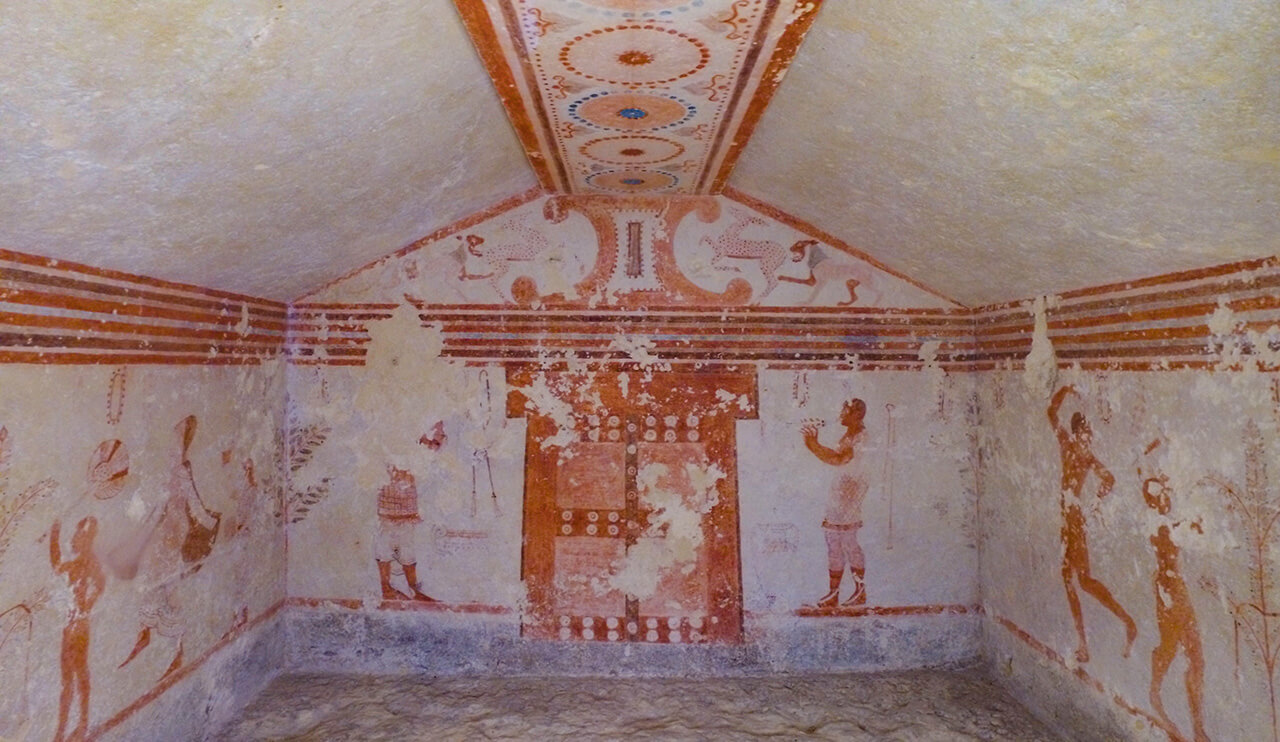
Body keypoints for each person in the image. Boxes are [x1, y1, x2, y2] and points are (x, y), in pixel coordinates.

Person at [1047, 384, 1137, 663]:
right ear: (1077, 432)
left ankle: (1125, 622)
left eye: (1089, 433)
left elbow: (1109, 479)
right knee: (1070, 579)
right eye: (1085, 432)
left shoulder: (1085, 455)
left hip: (1074, 518)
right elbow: (1051, 411)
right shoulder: (1068, 445)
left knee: (1082, 581)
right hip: (1068, 517)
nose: (1088, 436)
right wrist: (1064, 388)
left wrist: (1096, 501)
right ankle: (1084, 642)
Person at [1140, 440, 1209, 741]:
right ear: (1153, 500)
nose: (1167, 496)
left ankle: (1196, 726)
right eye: (1162, 493)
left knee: (1195, 657)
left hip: (1175, 588)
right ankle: (1155, 697)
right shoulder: (1160, 526)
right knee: (1172, 651)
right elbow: (1187, 531)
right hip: (1168, 591)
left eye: (1168, 492)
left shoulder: (1167, 520)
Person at [801, 398, 869, 608]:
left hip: (849, 493)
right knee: (833, 543)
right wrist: (814, 445)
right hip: (839, 492)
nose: (840, 414)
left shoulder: (860, 437)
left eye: (845, 410)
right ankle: (834, 593)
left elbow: (840, 459)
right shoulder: (849, 435)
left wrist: (814, 445)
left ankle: (860, 591)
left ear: (856, 414)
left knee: (848, 542)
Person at [374, 421, 446, 602]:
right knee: (385, 549)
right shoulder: (401, 450)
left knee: (407, 552)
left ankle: (413, 590)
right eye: (431, 441)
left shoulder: (422, 458)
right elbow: (394, 476)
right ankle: (386, 589)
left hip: (407, 513)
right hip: (389, 511)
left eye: (437, 442)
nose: (433, 446)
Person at [50, 517, 105, 742]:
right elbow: (58, 566)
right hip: (71, 626)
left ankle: (80, 725)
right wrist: (54, 536)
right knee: (67, 680)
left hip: (78, 627)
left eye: (79, 534)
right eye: (75, 533)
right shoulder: (80, 560)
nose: (74, 538)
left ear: (87, 538)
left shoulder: (87, 561)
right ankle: (63, 731)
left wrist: (87, 605)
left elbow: (100, 584)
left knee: (78, 676)